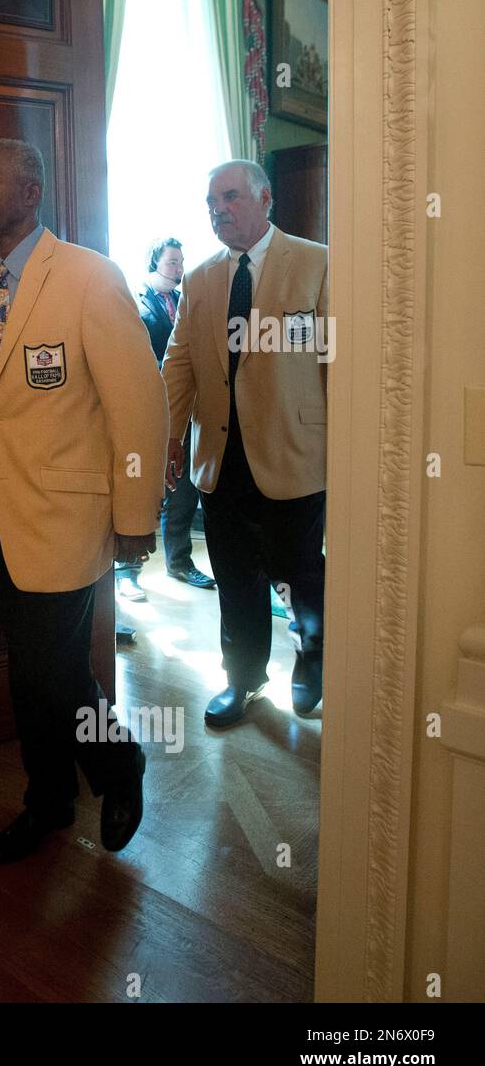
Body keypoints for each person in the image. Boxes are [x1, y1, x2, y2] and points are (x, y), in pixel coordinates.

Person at [0, 139, 168, 863]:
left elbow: (139, 405)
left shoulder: (87, 277)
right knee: (31, 672)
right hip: (1, 524)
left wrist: (137, 519)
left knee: (55, 672)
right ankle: (48, 800)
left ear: (32, 191)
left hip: (70, 517)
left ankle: (116, 764)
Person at [161, 160, 328, 726]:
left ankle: (312, 655)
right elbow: (179, 362)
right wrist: (168, 436)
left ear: (265, 199)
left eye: (230, 197)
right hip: (221, 456)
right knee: (234, 575)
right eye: (211, 202)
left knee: (299, 569)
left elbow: (336, 362)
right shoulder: (202, 278)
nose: (218, 209)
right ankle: (244, 679)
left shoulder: (316, 262)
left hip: (295, 451)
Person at [120, 238, 215, 595]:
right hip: (144, 407)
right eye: (173, 262)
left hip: (184, 409)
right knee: (140, 485)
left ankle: (179, 562)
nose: (179, 268)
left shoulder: (183, 300)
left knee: (183, 489)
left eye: (181, 262)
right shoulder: (135, 299)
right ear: (155, 263)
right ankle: (126, 573)